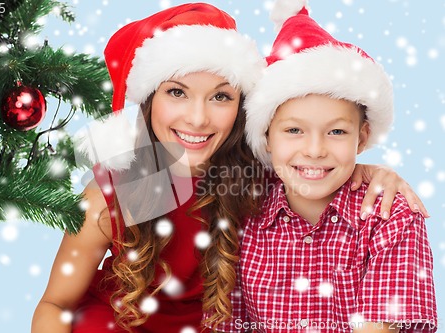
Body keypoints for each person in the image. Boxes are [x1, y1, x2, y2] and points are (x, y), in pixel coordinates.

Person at [31, 3, 430, 333]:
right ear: (149, 100)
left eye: (220, 97)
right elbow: (54, 303)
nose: (198, 119)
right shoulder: (118, 190)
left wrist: (370, 170)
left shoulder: (255, 176)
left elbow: (314, 158)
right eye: (176, 92)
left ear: (243, 107)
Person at [210, 1, 437, 332]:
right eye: (294, 130)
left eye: (336, 132)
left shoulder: (390, 214)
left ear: (362, 137)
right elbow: (229, 322)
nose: (315, 150)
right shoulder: (244, 210)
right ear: (266, 136)